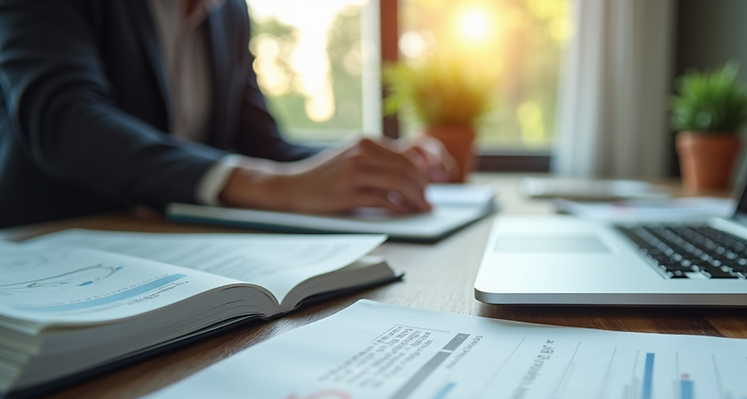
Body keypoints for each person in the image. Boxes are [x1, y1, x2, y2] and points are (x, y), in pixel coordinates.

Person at [0, 0, 453, 228]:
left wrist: (377, 165)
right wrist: (270, 185)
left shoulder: (229, 13)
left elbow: (266, 148)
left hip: (177, 248)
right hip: (51, 243)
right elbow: (64, 118)